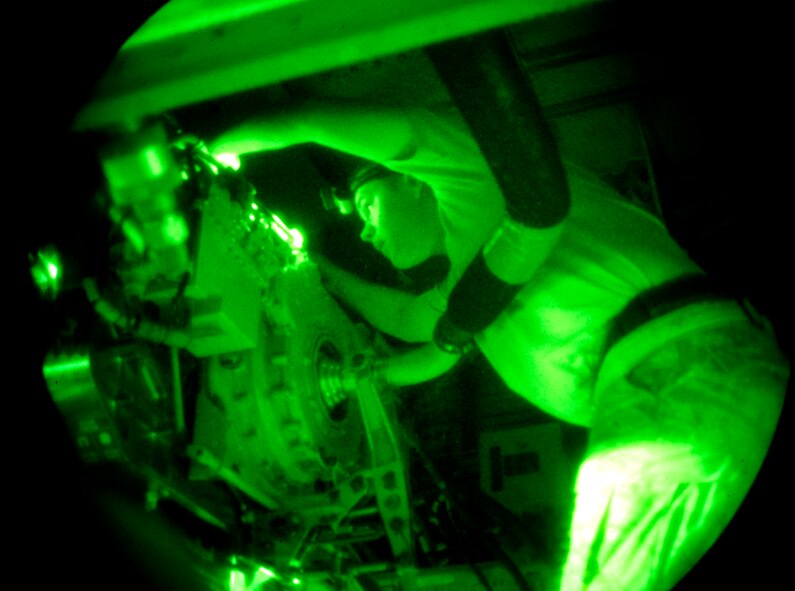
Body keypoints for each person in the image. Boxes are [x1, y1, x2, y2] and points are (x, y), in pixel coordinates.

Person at [210, 97, 788, 590]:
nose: (365, 232)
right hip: (664, 389)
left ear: (411, 183)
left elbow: (319, 118)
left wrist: (216, 153)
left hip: (684, 372)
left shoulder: (478, 176)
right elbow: (408, 321)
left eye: (367, 207)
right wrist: (318, 275)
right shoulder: (472, 281)